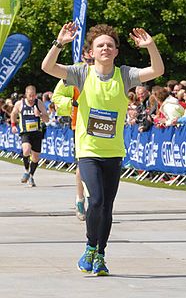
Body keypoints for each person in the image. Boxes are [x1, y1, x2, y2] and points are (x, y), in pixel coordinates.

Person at [42, 21, 164, 276]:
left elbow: (157, 69)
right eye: (100, 45)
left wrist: (150, 45)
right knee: (95, 200)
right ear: (91, 51)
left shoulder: (125, 75)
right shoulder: (81, 73)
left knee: (107, 206)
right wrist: (59, 43)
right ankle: (89, 247)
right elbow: (48, 67)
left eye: (110, 45)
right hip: (88, 150)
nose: (105, 48)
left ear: (116, 51)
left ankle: (100, 254)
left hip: (114, 151)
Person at [52, 44, 94, 221]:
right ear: (83, 56)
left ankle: (97, 200)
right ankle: (80, 199)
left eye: (93, 59)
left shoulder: (110, 71)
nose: (90, 62)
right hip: (81, 124)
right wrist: (73, 104)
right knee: (83, 163)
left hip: (105, 125)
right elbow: (57, 97)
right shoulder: (74, 72)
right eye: (87, 59)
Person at [10, 85, 49, 187]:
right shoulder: (20, 104)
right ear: (26, 95)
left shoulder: (38, 103)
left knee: (35, 158)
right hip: (25, 132)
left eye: (33, 96)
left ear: (36, 95)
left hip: (37, 133)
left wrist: (39, 114)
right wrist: (13, 125)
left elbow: (47, 119)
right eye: (29, 96)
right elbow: (13, 114)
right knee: (26, 150)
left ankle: (31, 176)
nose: (31, 98)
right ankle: (26, 171)